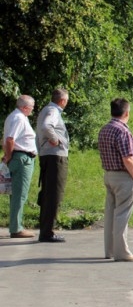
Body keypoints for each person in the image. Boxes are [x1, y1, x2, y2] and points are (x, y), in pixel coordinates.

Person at [97, 98, 133, 262]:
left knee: (110, 213)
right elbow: (128, 158)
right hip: (124, 177)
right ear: (126, 113)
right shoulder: (122, 131)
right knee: (122, 215)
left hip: (109, 175)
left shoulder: (105, 129)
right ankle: (122, 252)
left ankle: (109, 250)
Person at [36, 88, 70, 243]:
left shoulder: (47, 109)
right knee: (54, 193)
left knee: (49, 192)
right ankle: (47, 232)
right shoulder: (53, 111)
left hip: (48, 155)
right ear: (62, 100)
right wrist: (56, 139)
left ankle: (46, 229)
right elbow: (46, 126)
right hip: (54, 156)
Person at [2, 95, 38, 238]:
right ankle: (16, 228)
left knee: (16, 193)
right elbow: (10, 139)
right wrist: (9, 156)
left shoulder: (15, 116)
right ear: (25, 107)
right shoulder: (18, 118)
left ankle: (15, 225)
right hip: (22, 158)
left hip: (19, 156)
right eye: (32, 107)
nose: (32, 110)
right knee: (19, 194)